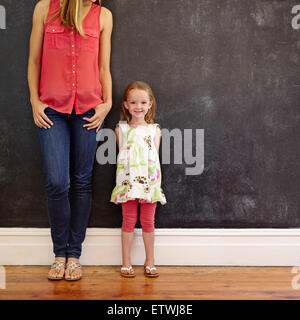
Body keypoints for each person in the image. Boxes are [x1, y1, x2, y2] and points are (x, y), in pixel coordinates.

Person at [27, 0, 113, 281]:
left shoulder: (104, 16)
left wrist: (107, 103)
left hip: (89, 110)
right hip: (51, 110)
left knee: (82, 181)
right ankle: (58, 253)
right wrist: (34, 101)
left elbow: (103, 66)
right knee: (57, 182)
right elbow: (35, 60)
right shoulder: (44, 8)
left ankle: (73, 255)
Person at [111, 81, 167, 278]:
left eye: (143, 102)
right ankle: (126, 262)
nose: (138, 106)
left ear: (150, 104)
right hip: (128, 183)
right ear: (126, 104)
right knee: (128, 220)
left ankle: (150, 261)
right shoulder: (121, 129)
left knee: (148, 222)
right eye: (133, 102)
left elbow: (153, 157)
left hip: (149, 184)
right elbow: (123, 154)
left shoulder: (155, 130)